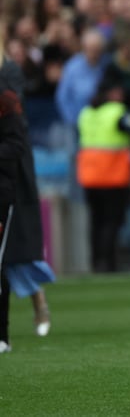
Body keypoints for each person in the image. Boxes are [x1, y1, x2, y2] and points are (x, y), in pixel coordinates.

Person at [0, 31, 56, 342]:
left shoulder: (8, 77)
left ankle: (38, 303)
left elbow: (14, 131)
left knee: (16, 248)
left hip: (12, 172)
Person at [77, 77, 130, 272]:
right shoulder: (116, 111)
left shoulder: (86, 113)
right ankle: (109, 263)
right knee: (111, 221)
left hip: (89, 176)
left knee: (95, 221)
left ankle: (95, 261)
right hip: (112, 176)